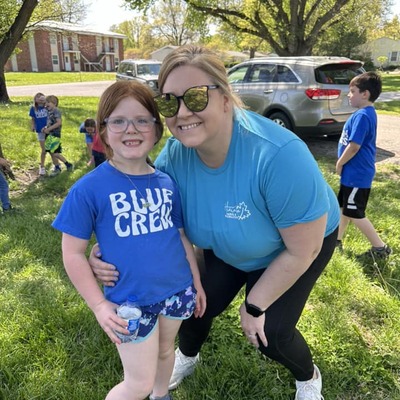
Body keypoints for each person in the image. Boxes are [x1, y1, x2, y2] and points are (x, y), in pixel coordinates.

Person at [89, 45, 340, 400]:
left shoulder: (278, 156)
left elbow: (305, 248)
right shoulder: (175, 156)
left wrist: (255, 305)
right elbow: (150, 216)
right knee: (190, 306)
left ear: (225, 98)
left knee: (271, 334)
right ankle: (187, 355)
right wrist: (106, 251)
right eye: (169, 102)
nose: (182, 112)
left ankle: (307, 376)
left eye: (195, 96)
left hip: (294, 246)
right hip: (227, 244)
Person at [52, 80, 206, 400]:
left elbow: (179, 235)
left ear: (156, 127)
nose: (131, 129)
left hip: (177, 291)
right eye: (118, 121)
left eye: (141, 120)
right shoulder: (88, 189)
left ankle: (161, 395)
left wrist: (196, 283)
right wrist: (98, 305)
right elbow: (72, 253)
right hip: (130, 302)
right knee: (137, 383)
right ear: (103, 130)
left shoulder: (167, 182)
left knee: (166, 353)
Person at [336, 72, 392, 259]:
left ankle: (380, 248)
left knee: (355, 212)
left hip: (357, 174)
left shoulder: (363, 116)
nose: (349, 95)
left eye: (352, 91)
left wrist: (340, 163)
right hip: (352, 173)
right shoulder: (364, 114)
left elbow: (354, 146)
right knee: (344, 208)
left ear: (365, 94)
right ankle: (336, 240)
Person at [42, 95, 74, 176]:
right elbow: (49, 123)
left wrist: (49, 129)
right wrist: (45, 128)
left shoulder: (56, 111)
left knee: (55, 153)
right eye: (45, 102)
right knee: (51, 152)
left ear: (55, 103)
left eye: (48, 102)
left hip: (54, 134)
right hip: (49, 134)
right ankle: (57, 167)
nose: (46, 104)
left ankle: (68, 164)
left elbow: (59, 123)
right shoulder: (49, 111)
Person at [29, 92, 48, 176]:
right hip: (40, 131)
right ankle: (42, 166)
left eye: (41, 97)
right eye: (37, 97)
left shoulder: (47, 106)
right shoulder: (33, 108)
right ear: (35, 100)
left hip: (49, 130)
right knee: (44, 150)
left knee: (52, 150)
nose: (40, 98)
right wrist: (33, 126)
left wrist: (46, 101)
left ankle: (56, 165)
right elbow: (33, 119)